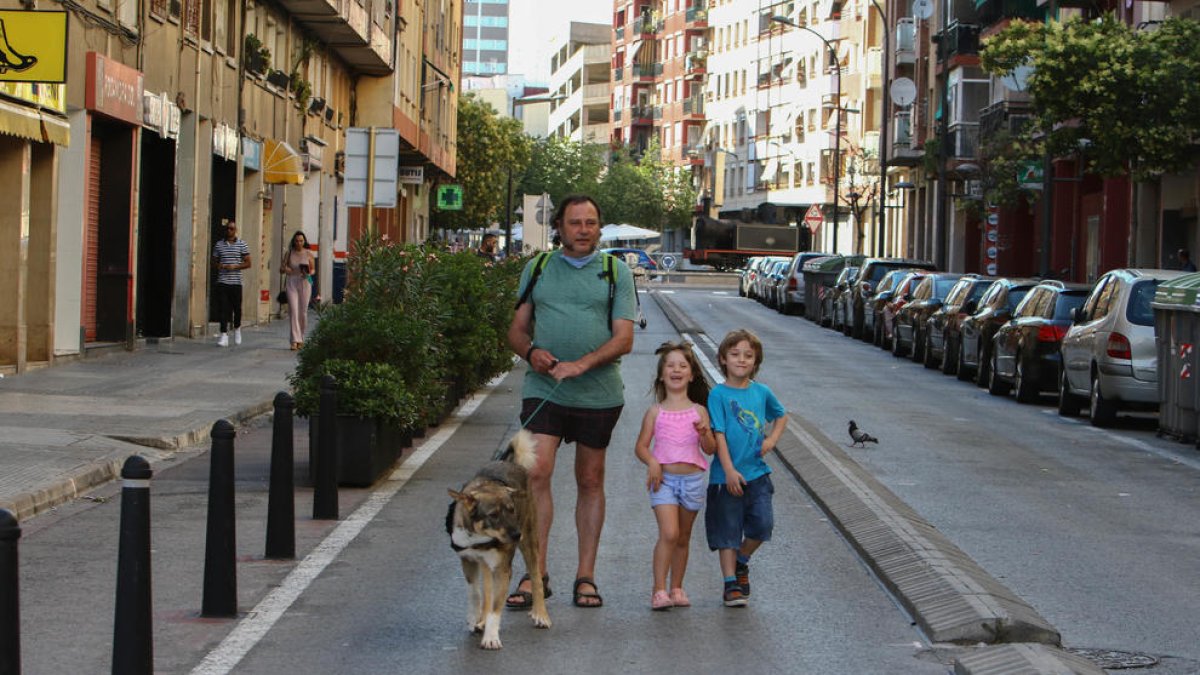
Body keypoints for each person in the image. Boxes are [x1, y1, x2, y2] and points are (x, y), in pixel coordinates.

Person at [505, 194, 637, 610]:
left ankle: (586, 576)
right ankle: (536, 572)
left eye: (591, 223)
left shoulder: (616, 272)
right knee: (536, 472)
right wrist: (531, 354)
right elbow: (515, 331)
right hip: (544, 390)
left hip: (598, 394)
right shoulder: (538, 268)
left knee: (590, 480)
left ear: (600, 227)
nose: (584, 230)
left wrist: (582, 365)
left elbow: (624, 339)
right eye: (575, 223)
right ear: (558, 227)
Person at [706, 329, 787, 608]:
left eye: (748, 356)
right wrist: (728, 470)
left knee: (763, 524)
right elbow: (718, 435)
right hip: (725, 476)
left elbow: (781, 415)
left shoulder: (762, 392)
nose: (741, 360)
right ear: (723, 360)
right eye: (735, 355)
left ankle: (742, 561)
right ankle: (730, 584)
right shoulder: (718, 395)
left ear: (756, 362)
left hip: (757, 473)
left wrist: (772, 440)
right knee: (728, 530)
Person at [634, 341, 716, 610]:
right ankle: (658, 590)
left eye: (683, 366)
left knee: (683, 537)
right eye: (670, 365)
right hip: (664, 481)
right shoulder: (655, 412)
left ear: (691, 374)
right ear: (661, 374)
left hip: (692, 481)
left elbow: (710, 449)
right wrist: (652, 462)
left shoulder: (699, 411)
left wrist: (705, 432)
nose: (676, 370)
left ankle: (677, 587)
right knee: (669, 533)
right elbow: (641, 446)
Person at [212, 220, 251, 347]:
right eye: (228, 228)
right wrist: (221, 266)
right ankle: (224, 335)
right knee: (223, 308)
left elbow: (248, 263)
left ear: (236, 230)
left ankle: (237, 328)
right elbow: (214, 262)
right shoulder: (219, 245)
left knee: (237, 308)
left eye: (232, 229)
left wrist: (235, 266)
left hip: (236, 282)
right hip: (223, 281)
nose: (229, 231)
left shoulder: (242, 244)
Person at [281, 230, 317, 350]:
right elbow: (282, 268)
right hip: (292, 282)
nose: (299, 243)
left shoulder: (308, 254)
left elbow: (313, 270)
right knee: (293, 311)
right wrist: (286, 269)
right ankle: (294, 340)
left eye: (301, 241)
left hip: (305, 282)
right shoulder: (289, 253)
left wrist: (308, 273)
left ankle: (301, 337)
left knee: (303, 313)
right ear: (294, 241)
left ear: (304, 241)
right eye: (296, 241)